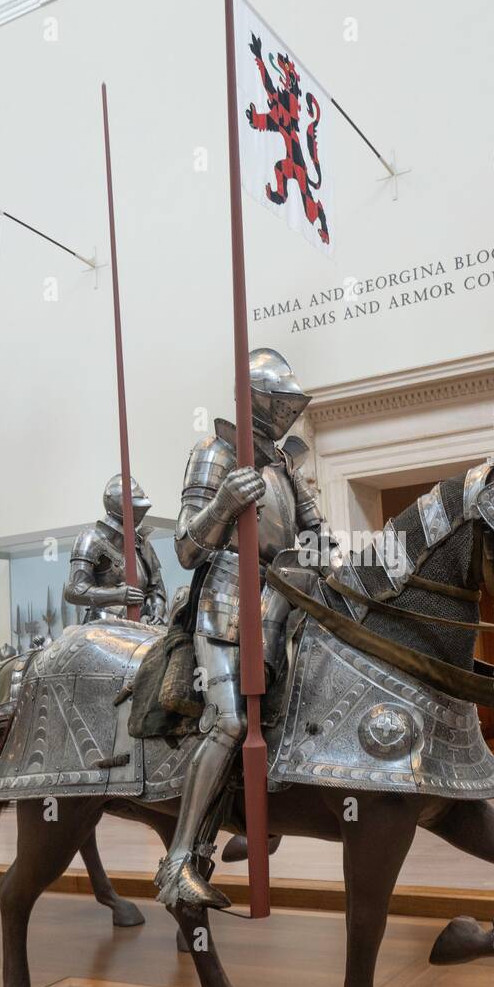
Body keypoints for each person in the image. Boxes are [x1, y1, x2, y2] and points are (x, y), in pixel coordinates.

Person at [155, 348, 338, 909]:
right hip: (227, 603)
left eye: (292, 405)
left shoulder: (284, 468)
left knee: (310, 704)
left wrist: (332, 555)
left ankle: (265, 818)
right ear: (254, 399)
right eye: (279, 402)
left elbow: (317, 534)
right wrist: (225, 505)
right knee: (231, 721)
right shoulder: (214, 454)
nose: (288, 414)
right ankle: (181, 859)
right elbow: (187, 548)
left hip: (288, 601)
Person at [64, 474, 167, 625]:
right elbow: (74, 591)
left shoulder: (142, 544)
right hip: (103, 625)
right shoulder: (91, 539)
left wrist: (157, 612)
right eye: (134, 504)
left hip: (142, 623)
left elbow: (156, 588)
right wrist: (117, 595)